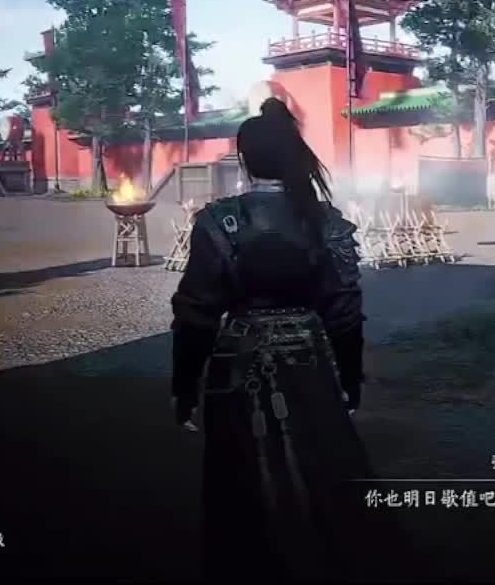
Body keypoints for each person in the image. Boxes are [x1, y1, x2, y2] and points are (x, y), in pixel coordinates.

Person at [170, 98, 404, 581]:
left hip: (237, 361)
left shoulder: (220, 220)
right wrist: (350, 378)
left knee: (240, 473)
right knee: (324, 465)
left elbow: (196, 313)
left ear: (244, 159)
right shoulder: (324, 221)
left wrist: (184, 386)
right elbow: (345, 310)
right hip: (310, 359)